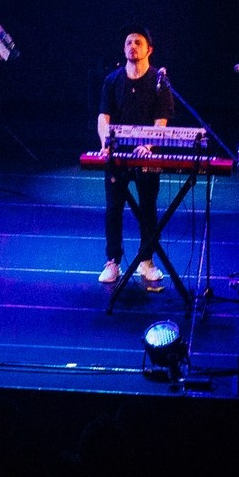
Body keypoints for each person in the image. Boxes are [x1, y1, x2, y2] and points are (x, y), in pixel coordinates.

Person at [97, 26, 178, 288]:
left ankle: (147, 261)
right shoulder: (112, 80)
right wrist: (105, 143)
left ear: (149, 50)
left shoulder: (159, 82)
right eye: (129, 42)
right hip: (117, 155)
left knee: (147, 208)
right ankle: (112, 262)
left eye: (138, 42)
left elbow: (161, 119)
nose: (132, 46)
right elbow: (103, 117)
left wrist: (150, 145)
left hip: (146, 154)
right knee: (113, 209)